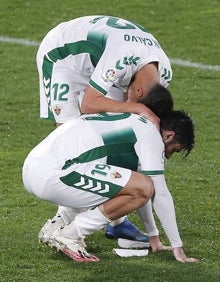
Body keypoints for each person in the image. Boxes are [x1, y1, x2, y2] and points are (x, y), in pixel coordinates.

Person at [36, 15, 173, 243]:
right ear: (139, 93)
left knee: (115, 136)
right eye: (135, 102)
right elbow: (90, 104)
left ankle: (117, 222)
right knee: (71, 141)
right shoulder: (121, 57)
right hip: (62, 58)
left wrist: (135, 113)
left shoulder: (163, 75)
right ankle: (61, 222)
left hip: (101, 61)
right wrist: (136, 109)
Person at [22, 110, 198, 263]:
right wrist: (177, 247)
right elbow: (157, 194)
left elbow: (140, 186)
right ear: (169, 135)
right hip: (52, 175)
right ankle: (70, 235)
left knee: (129, 184)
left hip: (34, 166)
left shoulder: (134, 122)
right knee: (140, 187)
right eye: (174, 150)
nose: (168, 157)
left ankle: (56, 225)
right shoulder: (151, 136)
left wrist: (153, 236)